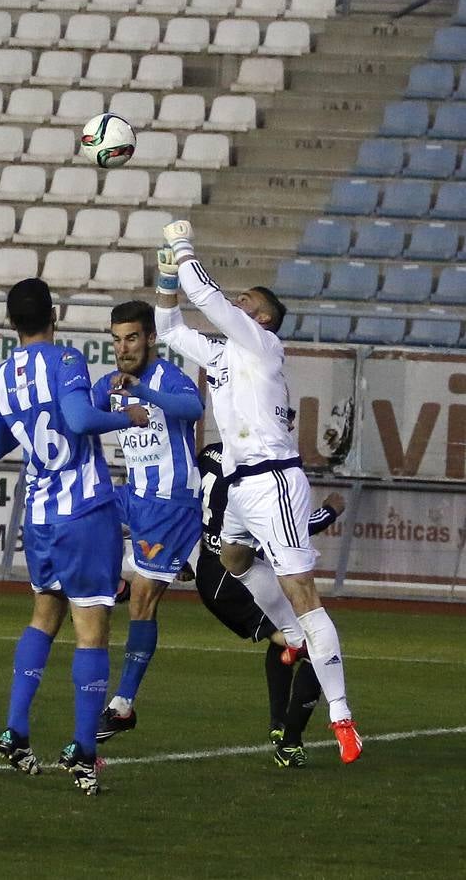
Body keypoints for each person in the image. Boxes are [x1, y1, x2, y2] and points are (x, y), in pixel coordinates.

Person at [154, 222, 362, 764]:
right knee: (234, 557)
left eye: (246, 300)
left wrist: (183, 245)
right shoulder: (225, 355)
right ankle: (293, 640)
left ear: (263, 318)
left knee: (301, 590)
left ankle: (341, 716)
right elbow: (169, 327)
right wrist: (164, 276)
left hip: (273, 479)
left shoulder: (263, 344)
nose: (236, 302)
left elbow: (204, 294)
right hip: (243, 486)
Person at [0, 278, 149, 795]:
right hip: (83, 511)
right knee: (92, 628)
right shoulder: (66, 361)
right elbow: (78, 417)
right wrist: (126, 415)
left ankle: (15, 729)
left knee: (43, 617)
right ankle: (82, 748)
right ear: (53, 315)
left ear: (12, 322)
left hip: (38, 515)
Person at [91, 300, 204, 742]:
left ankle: (122, 705)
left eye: (132, 337)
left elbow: (193, 411)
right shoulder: (113, 382)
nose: (124, 347)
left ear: (152, 338)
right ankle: (129, 575)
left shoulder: (167, 378)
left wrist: (143, 393)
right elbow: (80, 409)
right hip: (133, 495)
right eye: (117, 339)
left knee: (143, 599)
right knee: (82, 513)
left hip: (168, 502)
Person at [196, 439, 345, 768]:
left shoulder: (209, 453)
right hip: (235, 576)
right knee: (316, 649)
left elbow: (189, 504)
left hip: (211, 571)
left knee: (286, 637)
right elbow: (286, 528)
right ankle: (290, 743)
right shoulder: (256, 467)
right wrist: (331, 510)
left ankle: (279, 725)